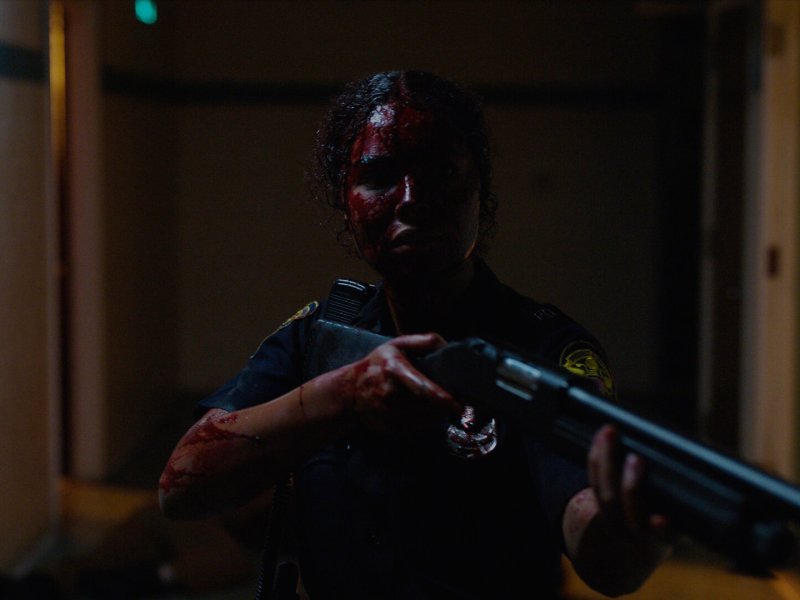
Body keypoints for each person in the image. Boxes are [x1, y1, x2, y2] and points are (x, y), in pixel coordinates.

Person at [160, 70, 671, 598]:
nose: (411, 199)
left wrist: (629, 526)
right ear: (345, 200)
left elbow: (602, 550)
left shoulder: (544, 347)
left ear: (479, 190)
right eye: (379, 177)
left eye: (441, 172)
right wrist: (346, 394)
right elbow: (182, 485)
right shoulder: (319, 336)